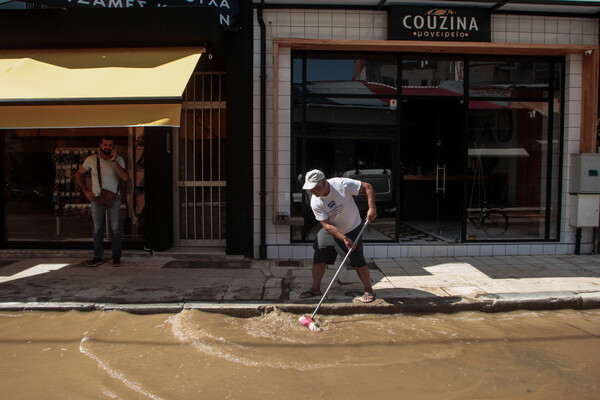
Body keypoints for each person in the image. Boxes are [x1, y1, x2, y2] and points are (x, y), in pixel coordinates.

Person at [300, 169, 377, 303]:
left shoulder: (341, 184)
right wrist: (343, 238)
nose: (312, 192)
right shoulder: (315, 201)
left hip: (352, 226)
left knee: (357, 259)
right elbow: (327, 226)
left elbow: (367, 187)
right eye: (310, 189)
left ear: (324, 183)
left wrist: (372, 208)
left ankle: (369, 289)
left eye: (314, 188)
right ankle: (315, 289)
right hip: (332, 229)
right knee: (319, 254)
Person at [76, 136, 128, 267]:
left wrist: (115, 161)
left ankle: (116, 256)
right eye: (105, 145)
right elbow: (79, 174)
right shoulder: (91, 160)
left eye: (110, 145)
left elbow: (125, 177)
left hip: (114, 198)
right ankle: (97, 256)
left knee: (115, 229)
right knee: (97, 229)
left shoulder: (119, 159)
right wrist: (85, 190)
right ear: (100, 145)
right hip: (97, 197)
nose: (107, 147)